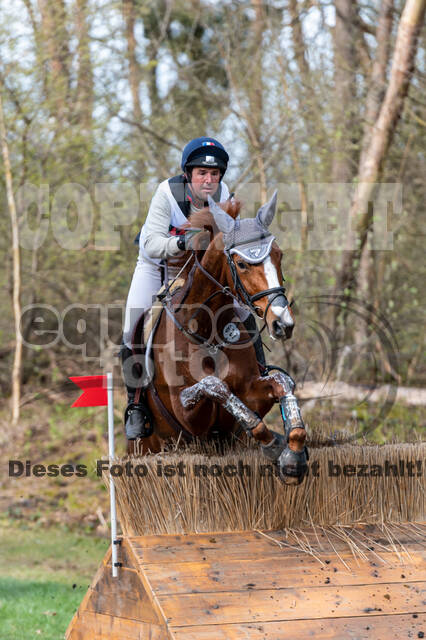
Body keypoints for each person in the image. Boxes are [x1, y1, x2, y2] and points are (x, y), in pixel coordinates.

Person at [121, 137, 230, 440]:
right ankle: (137, 405)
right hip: (157, 266)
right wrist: (183, 242)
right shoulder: (168, 192)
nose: (209, 180)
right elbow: (150, 244)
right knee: (132, 328)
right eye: (201, 174)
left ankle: (255, 371)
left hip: (195, 269)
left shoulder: (224, 196)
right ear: (188, 175)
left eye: (215, 174)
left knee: (240, 311)